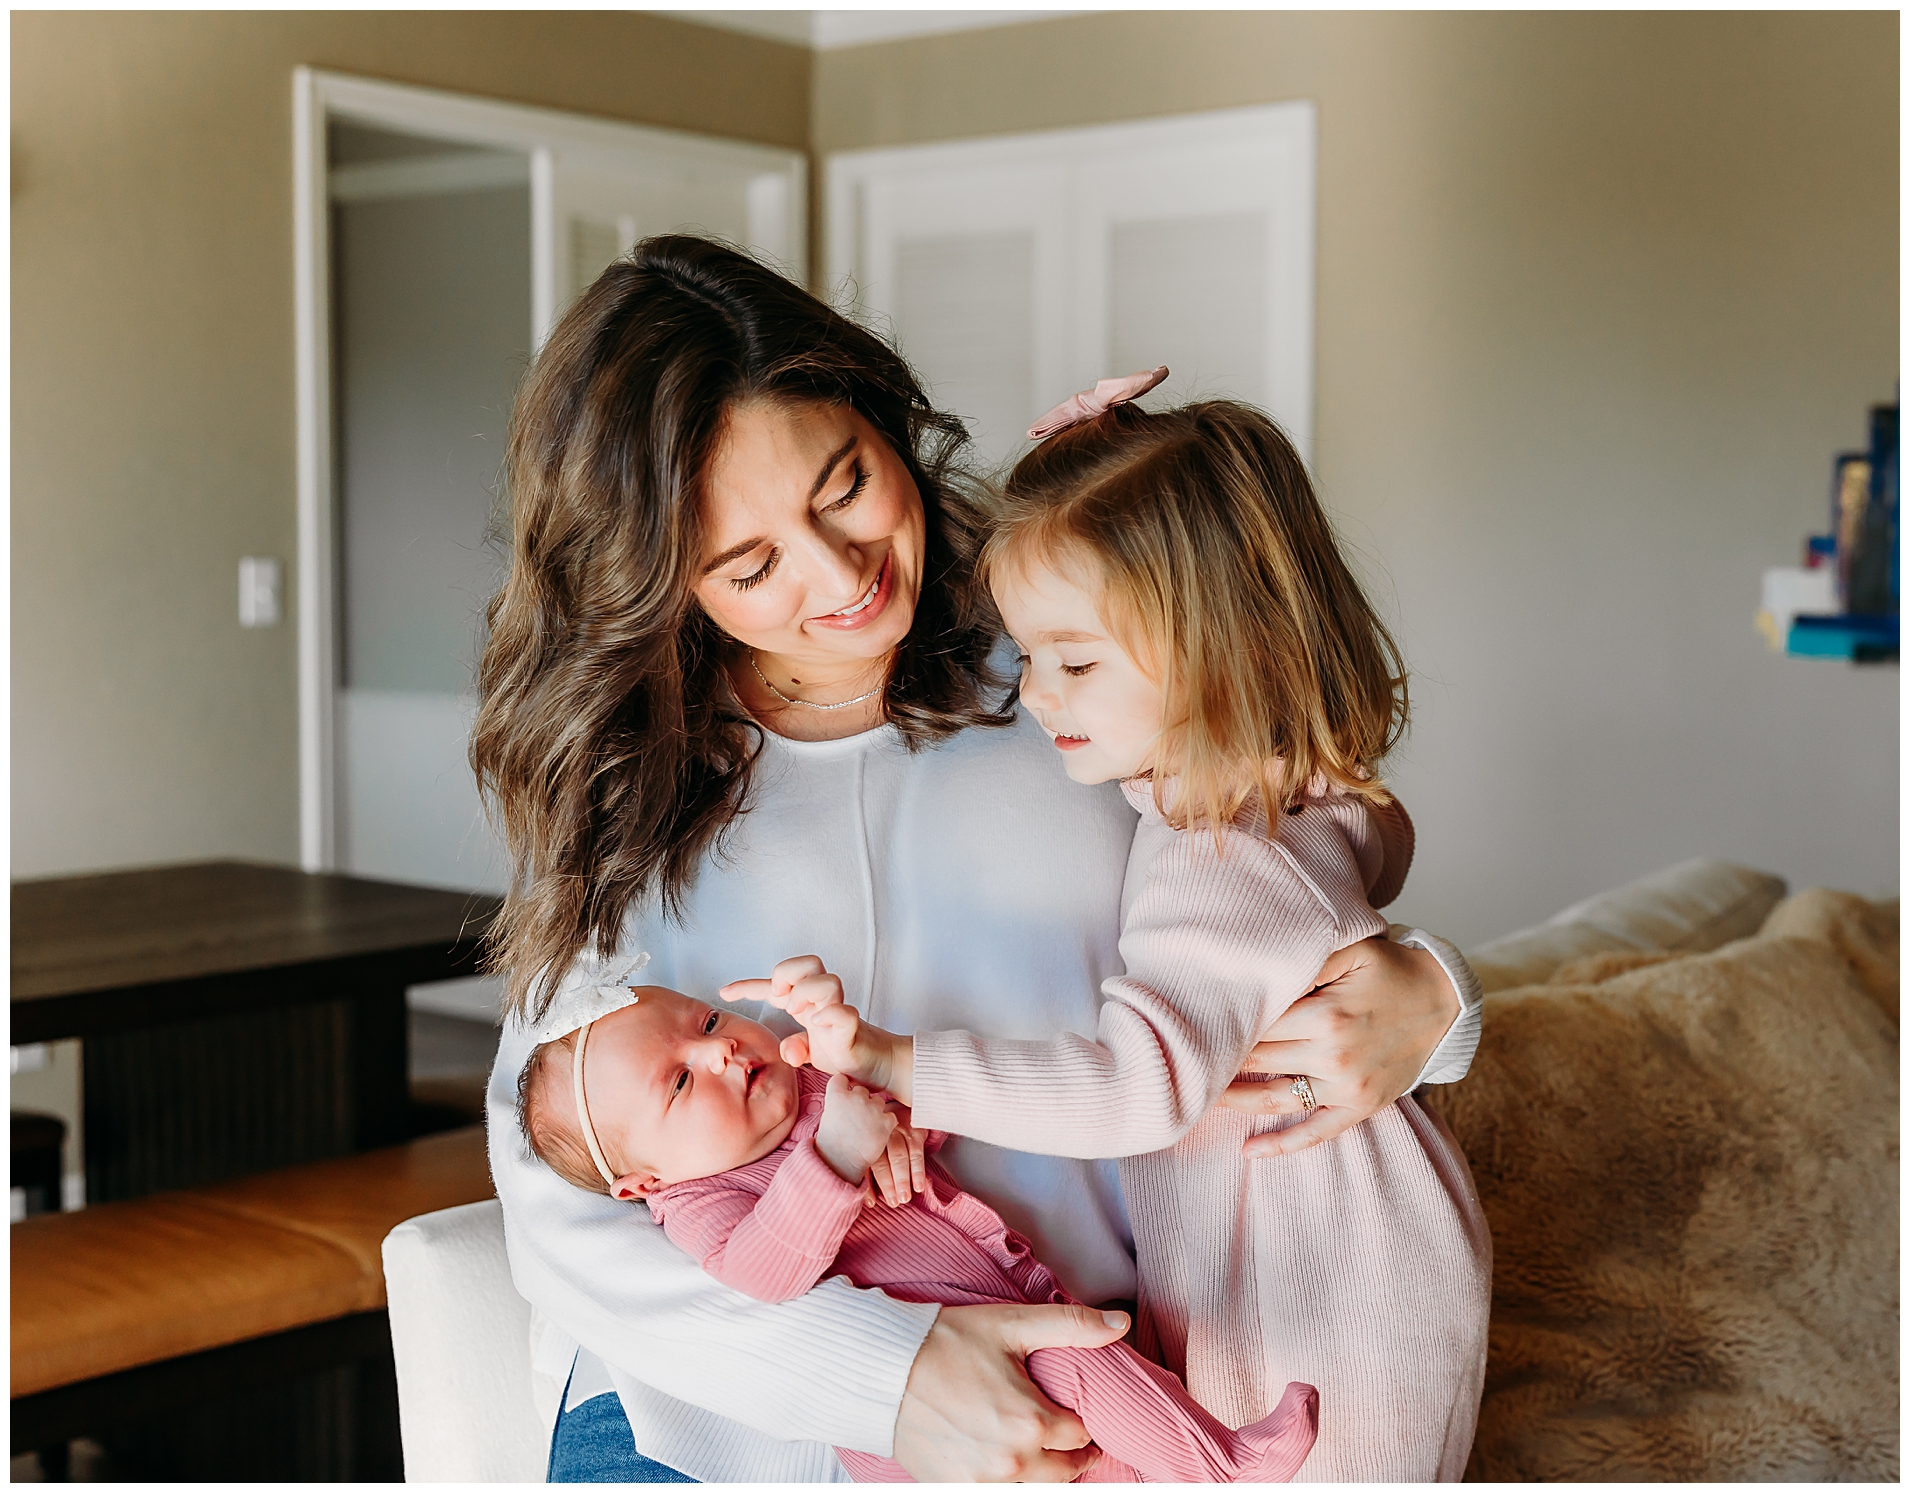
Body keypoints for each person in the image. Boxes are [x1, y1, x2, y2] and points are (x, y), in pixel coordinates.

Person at [473, 234, 1481, 1482]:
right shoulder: (627, 772)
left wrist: (1433, 1001)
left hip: (1087, 1368)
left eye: (844, 483)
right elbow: (553, 1173)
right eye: (751, 563)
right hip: (723, 1402)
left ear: (879, 414)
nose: (840, 574)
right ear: (661, 581)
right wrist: (890, 1375)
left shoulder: (1064, 658)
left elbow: (1294, 844)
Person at [729, 387, 1493, 1481]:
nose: (1036, 697)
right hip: (1339, 1255)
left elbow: (1139, 1087)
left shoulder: (1214, 849)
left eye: (1075, 663)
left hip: (1327, 1290)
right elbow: (1375, 841)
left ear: (1227, 647)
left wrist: (899, 1064)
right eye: (1029, 654)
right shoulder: (1261, 786)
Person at [514, 982, 1322, 1483]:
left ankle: (1183, 1465)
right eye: (680, 1082)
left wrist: (894, 1112)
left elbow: (926, 1115)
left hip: (1001, 1311)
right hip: (913, 1412)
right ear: (645, 1182)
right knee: (1085, 1361)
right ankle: (1228, 1466)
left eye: (706, 1018)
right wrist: (833, 1157)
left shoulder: (808, 1078)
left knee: (1102, 1422)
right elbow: (762, 1270)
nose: (719, 1049)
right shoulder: (700, 1201)